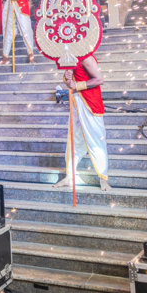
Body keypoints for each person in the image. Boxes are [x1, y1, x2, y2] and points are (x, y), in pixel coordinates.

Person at [54, 54, 109, 191]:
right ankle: (69, 176)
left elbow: (99, 80)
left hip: (90, 104)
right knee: (74, 140)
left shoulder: (86, 57)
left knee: (97, 140)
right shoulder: (70, 58)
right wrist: (68, 80)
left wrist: (76, 85)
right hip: (77, 103)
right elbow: (72, 83)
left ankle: (103, 178)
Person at [0, 0, 36, 65]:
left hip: (21, 4)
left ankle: (31, 56)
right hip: (9, 4)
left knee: (26, 30)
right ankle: (5, 57)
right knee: (7, 30)